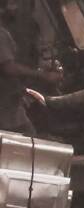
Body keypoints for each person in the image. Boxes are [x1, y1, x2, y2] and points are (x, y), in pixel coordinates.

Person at [0, 3, 58, 135]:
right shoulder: (1, 35)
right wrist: (43, 75)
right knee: (29, 138)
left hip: (10, 102)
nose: (15, 8)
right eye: (11, 4)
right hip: (5, 104)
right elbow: (8, 68)